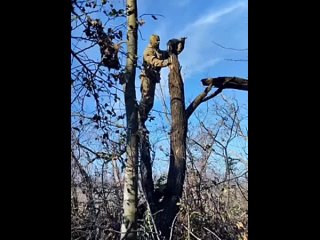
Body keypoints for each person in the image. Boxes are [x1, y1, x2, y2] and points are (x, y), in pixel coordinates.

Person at [139, 34, 172, 128]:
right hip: (146, 77)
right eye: (156, 41)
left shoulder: (158, 52)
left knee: (150, 102)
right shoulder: (148, 51)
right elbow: (153, 61)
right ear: (151, 41)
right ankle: (139, 121)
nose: (158, 42)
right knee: (146, 98)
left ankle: (142, 121)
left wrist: (178, 45)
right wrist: (166, 62)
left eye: (159, 41)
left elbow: (167, 53)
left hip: (153, 78)